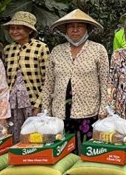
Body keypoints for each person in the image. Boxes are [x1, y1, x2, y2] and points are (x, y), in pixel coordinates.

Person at [41, 10, 109, 149]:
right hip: (60, 111)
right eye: (71, 26)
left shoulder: (98, 49)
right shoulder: (57, 51)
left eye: (80, 26)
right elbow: (49, 83)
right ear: (66, 30)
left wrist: (104, 108)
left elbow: (105, 82)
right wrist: (45, 111)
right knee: (64, 149)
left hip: (89, 109)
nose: (75, 30)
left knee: (88, 148)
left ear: (87, 29)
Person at [1, 11, 50, 143]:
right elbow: (5, 79)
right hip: (13, 102)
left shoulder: (41, 48)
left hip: (32, 100)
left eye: (19, 28)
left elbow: (47, 79)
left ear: (29, 30)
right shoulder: (8, 50)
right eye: (12, 28)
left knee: (34, 136)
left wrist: (39, 104)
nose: (14, 31)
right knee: (14, 135)